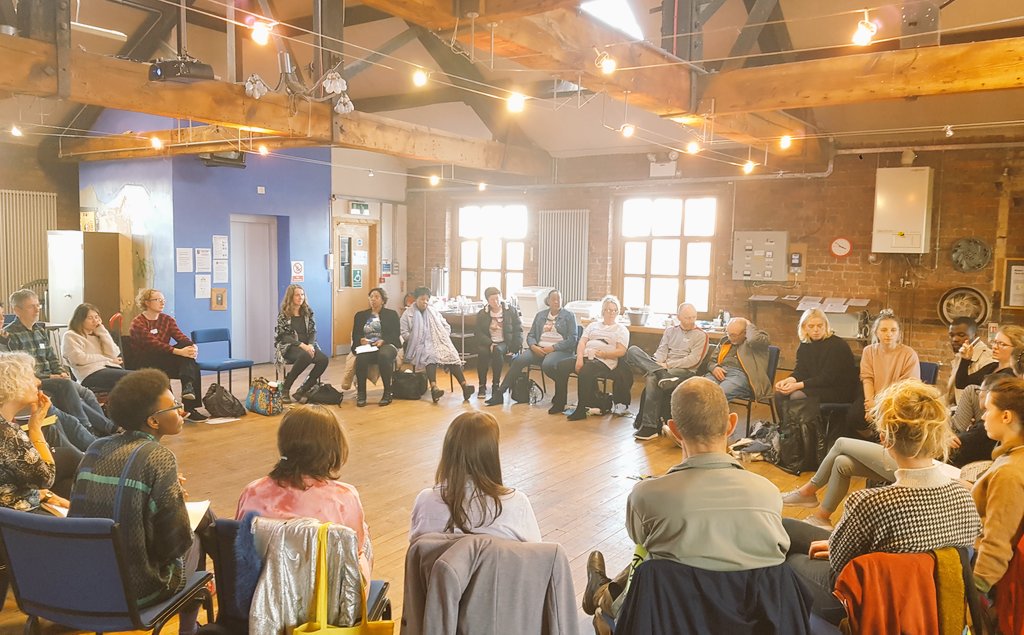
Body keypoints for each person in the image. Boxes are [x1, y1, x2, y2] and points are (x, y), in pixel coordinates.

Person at [582, 377, 789, 619]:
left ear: (674, 430)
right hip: (748, 618)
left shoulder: (646, 494)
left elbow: (640, 540)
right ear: (732, 424)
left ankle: (601, 596)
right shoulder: (769, 493)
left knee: (653, 550)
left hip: (671, 616)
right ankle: (602, 592)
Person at [782, 379, 981, 623]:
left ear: (885, 439)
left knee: (788, 558)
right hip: (926, 600)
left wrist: (835, 547)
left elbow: (840, 565)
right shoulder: (964, 497)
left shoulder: (871, 503)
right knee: (787, 527)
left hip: (864, 599)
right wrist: (835, 545)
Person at [68, 369, 207, 635]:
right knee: (198, 537)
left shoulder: (95, 448)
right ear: (153, 421)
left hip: (90, 581)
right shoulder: (158, 457)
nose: (181, 410)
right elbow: (174, 544)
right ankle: (190, 628)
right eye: (175, 406)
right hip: (137, 591)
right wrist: (175, 501)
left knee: (204, 522)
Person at [237, 404, 373, 582]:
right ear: (333, 447)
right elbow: (354, 553)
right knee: (364, 542)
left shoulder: (252, 492)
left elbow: (239, 546)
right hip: (322, 595)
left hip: (261, 591)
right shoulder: (344, 497)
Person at [409, 411, 540, 542]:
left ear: (448, 451)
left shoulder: (425, 501)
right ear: (492, 454)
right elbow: (536, 552)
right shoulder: (516, 502)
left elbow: (416, 550)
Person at [6, 289, 115, 436]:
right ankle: (89, 428)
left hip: (55, 378)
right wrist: (52, 377)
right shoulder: (10, 335)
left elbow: (52, 357)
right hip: (36, 381)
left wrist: (60, 371)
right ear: (17, 310)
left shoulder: (40, 330)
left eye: (38, 305)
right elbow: (21, 370)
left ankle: (103, 431)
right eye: (31, 306)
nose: (37, 309)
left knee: (86, 394)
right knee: (67, 386)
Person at [774, 309, 858, 457]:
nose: (816, 330)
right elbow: (800, 371)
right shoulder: (805, 345)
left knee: (797, 396)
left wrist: (797, 386)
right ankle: (791, 435)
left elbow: (828, 378)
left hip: (839, 390)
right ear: (804, 327)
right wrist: (788, 381)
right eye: (811, 326)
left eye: (820, 326)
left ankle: (808, 442)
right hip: (817, 386)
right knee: (780, 394)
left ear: (826, 326)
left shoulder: (838, 345)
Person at [971, 377, 1024, 602]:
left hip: (981, 573)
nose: (983, 416)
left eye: (987, 409)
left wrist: (973, 595)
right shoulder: (1012, 457)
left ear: (1006, 416)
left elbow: (996, 544)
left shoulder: (1009, 472)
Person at [0, 352, 73, 512]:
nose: (38, 381)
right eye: (31, 376)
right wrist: (35, 428)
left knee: (68, 477)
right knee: (72, 461)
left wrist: (46, 495)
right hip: (15, 516)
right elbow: (46, 478)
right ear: (13, 384)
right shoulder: (7, 433)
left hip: (12, 503)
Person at [625, 303, 708, 440]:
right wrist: (656, 363)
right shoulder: (670, 331)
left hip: (684, 371)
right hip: (664, 368)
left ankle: (650, 426)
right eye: (687, 318)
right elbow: (662, 351)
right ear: (678, 317)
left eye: (694, 317)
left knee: (652, 377)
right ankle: (660, 373)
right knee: (632, 351)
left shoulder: (701, 335)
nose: (691, 321)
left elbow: (694, 360)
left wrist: (667, 365)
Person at [486, 289, 577, 407]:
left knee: (547, 364)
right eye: (554, 299)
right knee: (518, 360)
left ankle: (560, 390)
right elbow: (531, 335)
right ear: (548, 301)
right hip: (538, 348)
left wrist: (553, 348)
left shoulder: (569, 316)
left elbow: (572, 339)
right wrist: (533, 346)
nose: (556, 302)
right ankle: (500, 393)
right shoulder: (541, 315)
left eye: (559, 299)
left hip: (559, 350)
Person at [129, 288, 207, 422]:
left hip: (164, 357)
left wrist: (193, 346)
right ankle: (185, 394)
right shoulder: (138, 323)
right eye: (158, 300)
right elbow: (153, 344)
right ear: (147, 302)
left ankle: (189, 401)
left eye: (163, 300)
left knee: (191, 360)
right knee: (185, 357)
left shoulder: (167, 319)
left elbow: (180, 337)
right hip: (145, 360)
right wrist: (179, 352)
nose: (162, 302)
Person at [553, 295, 629, 421]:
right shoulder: (593, 325)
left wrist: (604, 354)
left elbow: (621, 351)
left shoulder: (621, 329)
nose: (611, 313)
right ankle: (559, 403)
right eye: (608, 310)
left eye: (614, 310)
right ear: (603, 311)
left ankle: (581, 409)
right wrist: (579, 359)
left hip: (605, 360)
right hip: (586, 356)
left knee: (586, 371)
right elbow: (582, 342)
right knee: (561, 366)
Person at [848, 310, 920, 438]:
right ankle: (872, 439)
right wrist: (870, 406)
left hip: (898, 399)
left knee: (893, 422)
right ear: (876, 332)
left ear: (899, 333)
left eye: (893, 330)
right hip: (874, 395)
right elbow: (867, 379)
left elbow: (907, 387)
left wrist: (880, 408)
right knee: (854, 417)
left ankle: (884, 440)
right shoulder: (868, 351)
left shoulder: (909, 354)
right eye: (884, 330)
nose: (889, 334)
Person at [400, 287, 474, 403]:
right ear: (416, 299)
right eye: (422, 299)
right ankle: (434, 388)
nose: (425, 302)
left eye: (427, 299)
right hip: (418, 345)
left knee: (451, 354)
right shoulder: (407, 314)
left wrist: (442, 336)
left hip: (437, 341)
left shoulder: (433, 311)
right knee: (431, 355)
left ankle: (464, 386)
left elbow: (446, 326)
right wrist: (416, 337)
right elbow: (404, 333)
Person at [274, 284, 330, 404]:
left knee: (323, 359)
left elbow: (313, 331)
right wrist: (302, 345)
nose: (301, 297)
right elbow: (284, 336)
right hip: (289, 347)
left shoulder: (308, 311)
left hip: (307, 346)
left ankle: (303, 389)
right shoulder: (284, 314)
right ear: (291, 297)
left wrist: (310, 345)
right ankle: (286, 388)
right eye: (297, 295)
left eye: (302, 295)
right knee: (306, 355)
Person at [62, 303, 131, 393]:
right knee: (135, 378)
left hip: (109, 368)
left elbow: (113, 354)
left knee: (138, 380)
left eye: (96, 317)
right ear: (80, 320)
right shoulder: (71, 335)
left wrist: (102, 331)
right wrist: (108, 360)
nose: (95, 321)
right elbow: (79, 359)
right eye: (90, 318)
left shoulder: (97, 334)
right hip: (89, 374)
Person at [350, 287, 401, 407]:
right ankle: (361, 393)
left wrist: (383, 340)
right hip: (368, 346)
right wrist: (360, 340)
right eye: (371, 297)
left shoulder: (392, 314)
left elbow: (395, 334)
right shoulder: (360, 315)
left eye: (376, 297)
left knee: (383, 355)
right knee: (361, 357)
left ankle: (387, 393)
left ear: (383, 300)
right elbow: (356, 334)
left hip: (387, 345)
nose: (373, 299)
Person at [473, 287, 523, 400]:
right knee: (482, 352)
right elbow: (478, 332)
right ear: (487, 301)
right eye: (492, 300)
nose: (495, 302)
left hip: (505, 342)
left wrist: (514, 347)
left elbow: (518, 330)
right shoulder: (483, 313)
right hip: (489, 342)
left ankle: (496, 384)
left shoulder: (511, 311)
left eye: (497, 298)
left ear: (501, 297)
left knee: (497, 350)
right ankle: (482, 385)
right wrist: (489, 343)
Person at [954, 324, 1024, 391]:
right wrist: (965, 359)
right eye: (995, 342)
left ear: (1017, 348)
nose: (995, 347)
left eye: (1002, 344)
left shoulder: (1013, 374)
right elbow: (961, 383)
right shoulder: (992, 366)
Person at [947, 317, 993, 406]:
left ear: (975, 335)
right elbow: (952, 395)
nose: (955, 339)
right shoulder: (960, 356)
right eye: (951, 335)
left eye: (961, 335)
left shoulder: (988, 359)